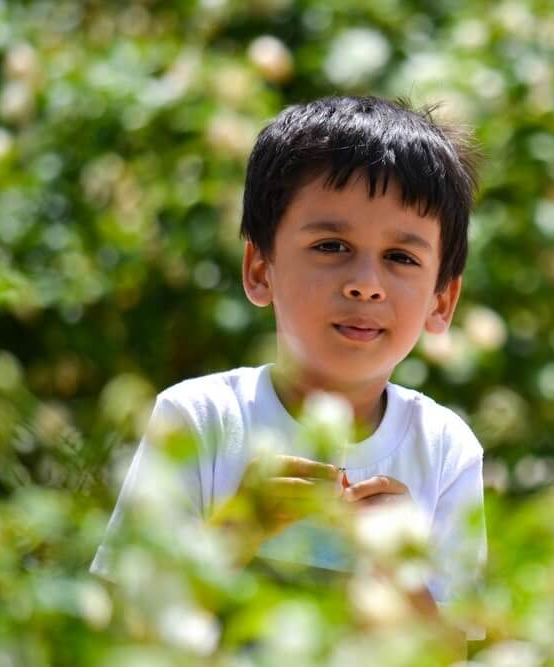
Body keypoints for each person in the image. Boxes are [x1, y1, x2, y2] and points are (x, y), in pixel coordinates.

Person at [90, 96, 487, 644]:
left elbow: (456, 652)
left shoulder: (444, 449)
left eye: (401, 257)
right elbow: (120, 628)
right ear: (259, 268)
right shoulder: (199, 420)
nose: (366, 282)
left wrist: (403, 573)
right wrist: (234, 537)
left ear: (442, 299)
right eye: (332, 245)